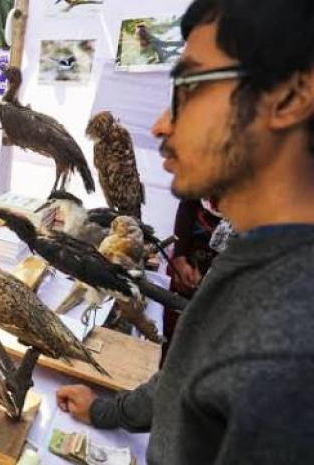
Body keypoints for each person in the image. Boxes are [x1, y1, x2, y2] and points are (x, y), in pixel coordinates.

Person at [56, 1, 314, 463]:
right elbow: (186, 376)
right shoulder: (250, 250)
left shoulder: (291, 350)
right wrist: (106, 410)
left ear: (291, 97)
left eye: (188, 87)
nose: (160, 125)